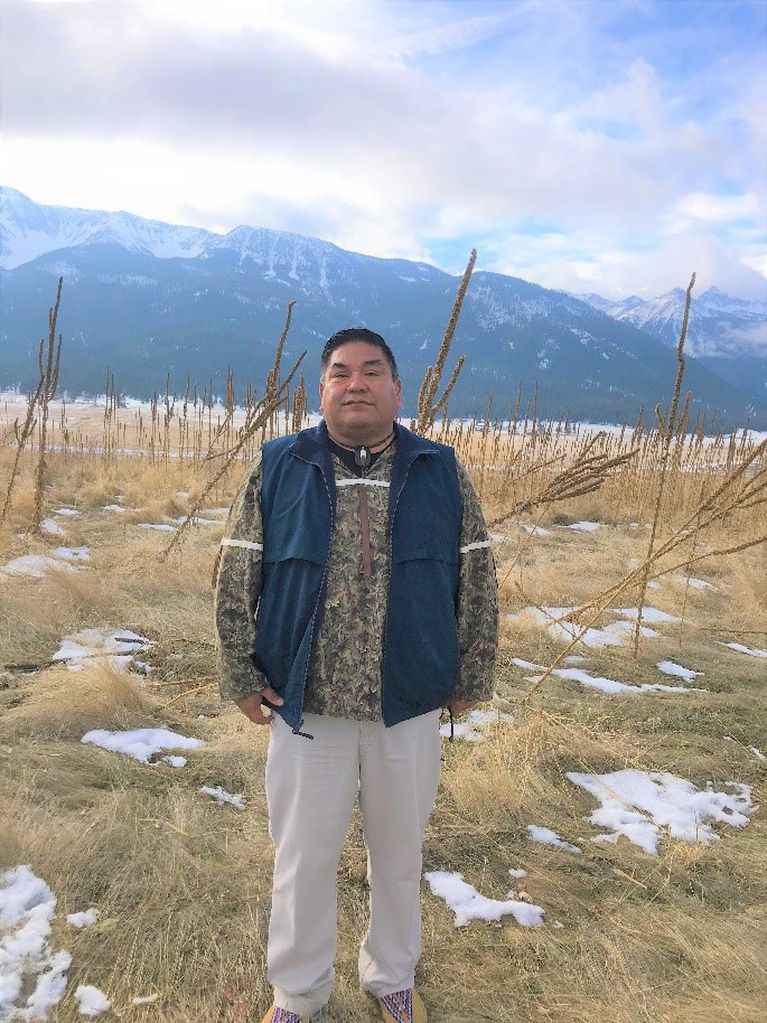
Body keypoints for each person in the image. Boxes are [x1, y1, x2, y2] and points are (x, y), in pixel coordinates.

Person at [214, 328, 498, 1023]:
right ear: (322, 390)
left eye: (372, 371)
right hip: (306, 702)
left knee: (398, 854)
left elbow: (478, 576)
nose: (356, 383)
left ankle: (391, 976)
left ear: (397, 390)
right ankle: (299, 992)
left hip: (409, 701)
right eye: (340, 372)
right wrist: (238, 670)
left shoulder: (439, 469)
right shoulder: (280, 465)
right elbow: (235, 570)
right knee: (303, 858)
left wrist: (471, 671)